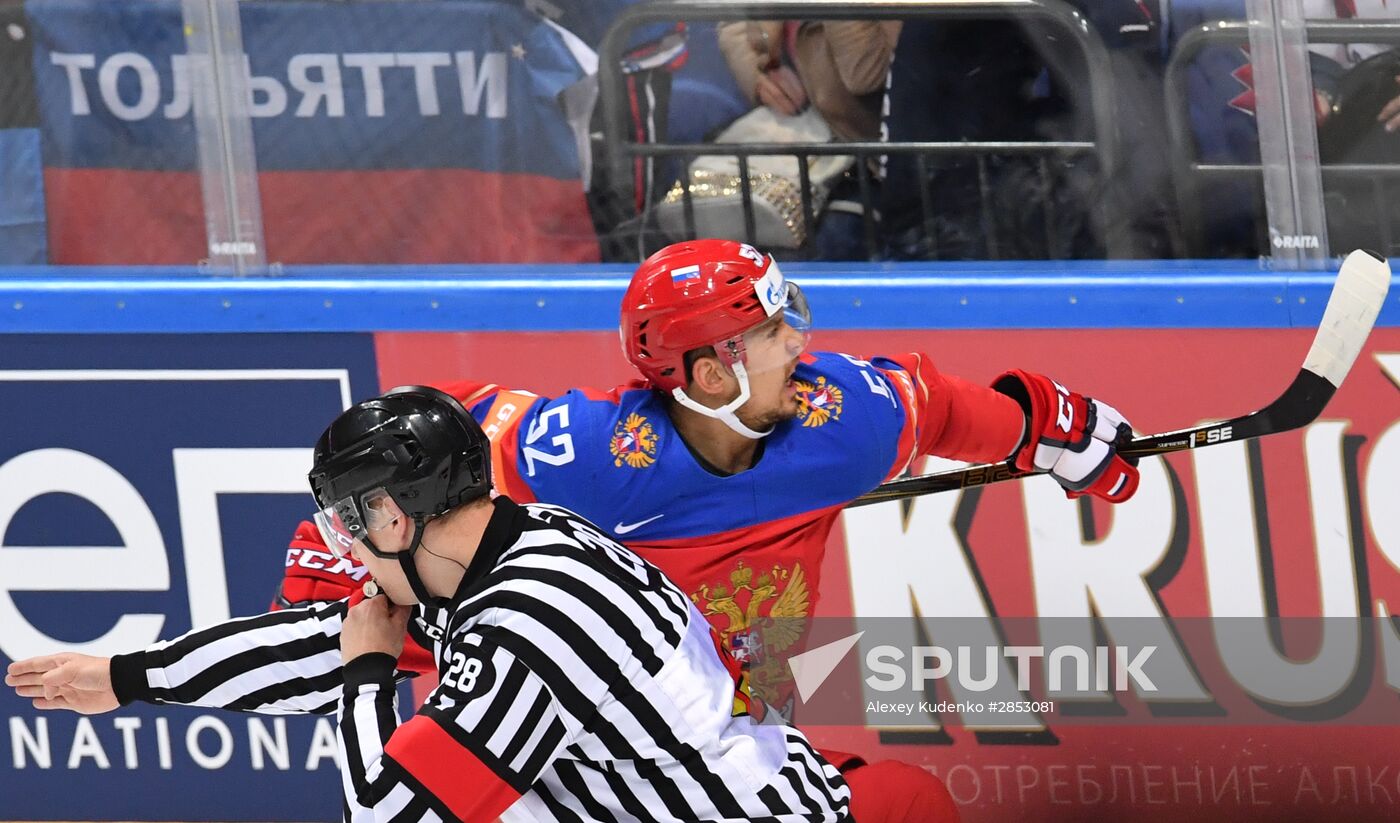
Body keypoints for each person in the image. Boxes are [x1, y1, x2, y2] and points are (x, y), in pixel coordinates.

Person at [274, 238, 1141, 822]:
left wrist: (1046, 426)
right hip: (576, 764)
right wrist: (332, 553)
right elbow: (430, 440)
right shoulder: (593, 458)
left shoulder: (843, 422)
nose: (798, 346)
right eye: (768, 332)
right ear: (705, 370)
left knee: (909, 803)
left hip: (725, 754)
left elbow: (938, 406)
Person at [5, 386, 853, 822]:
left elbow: (388, 815)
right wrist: (128, 675)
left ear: (392, 512)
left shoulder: (531, 624)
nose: (341, 540)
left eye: (347, 516)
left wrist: (369, 674)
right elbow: (318, 640)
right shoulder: (506, 543)